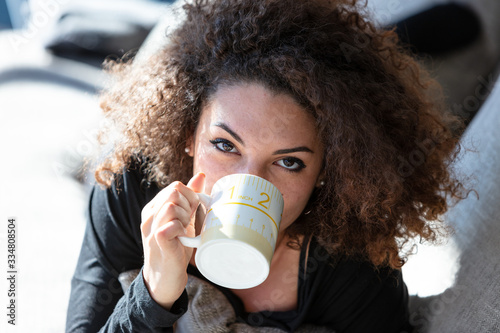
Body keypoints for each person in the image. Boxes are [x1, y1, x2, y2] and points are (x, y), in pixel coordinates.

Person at [65, 0, 468, 332]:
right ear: (188, 135)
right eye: (225, 145)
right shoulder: (129, 186)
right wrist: (151, 293)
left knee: (453, 33)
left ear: (329, 168)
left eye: (289, 161)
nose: (249, 180)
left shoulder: (354, 264)